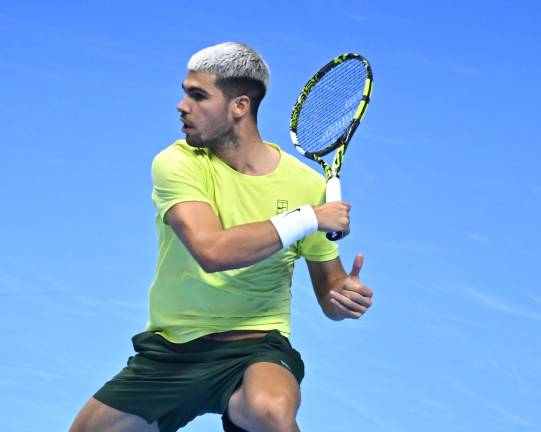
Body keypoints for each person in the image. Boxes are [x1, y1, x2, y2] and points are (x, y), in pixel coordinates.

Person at [70, 42, 373, 432]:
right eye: (185, 92)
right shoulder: (177, 164)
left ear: (239, 107)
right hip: (172, 352)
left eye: (198, 96)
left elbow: (328, 293)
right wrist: (308, 217)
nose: (182, 106)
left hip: (256, 350)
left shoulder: (305, 185)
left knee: (273, 413)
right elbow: (211, 251)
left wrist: (341, 295)